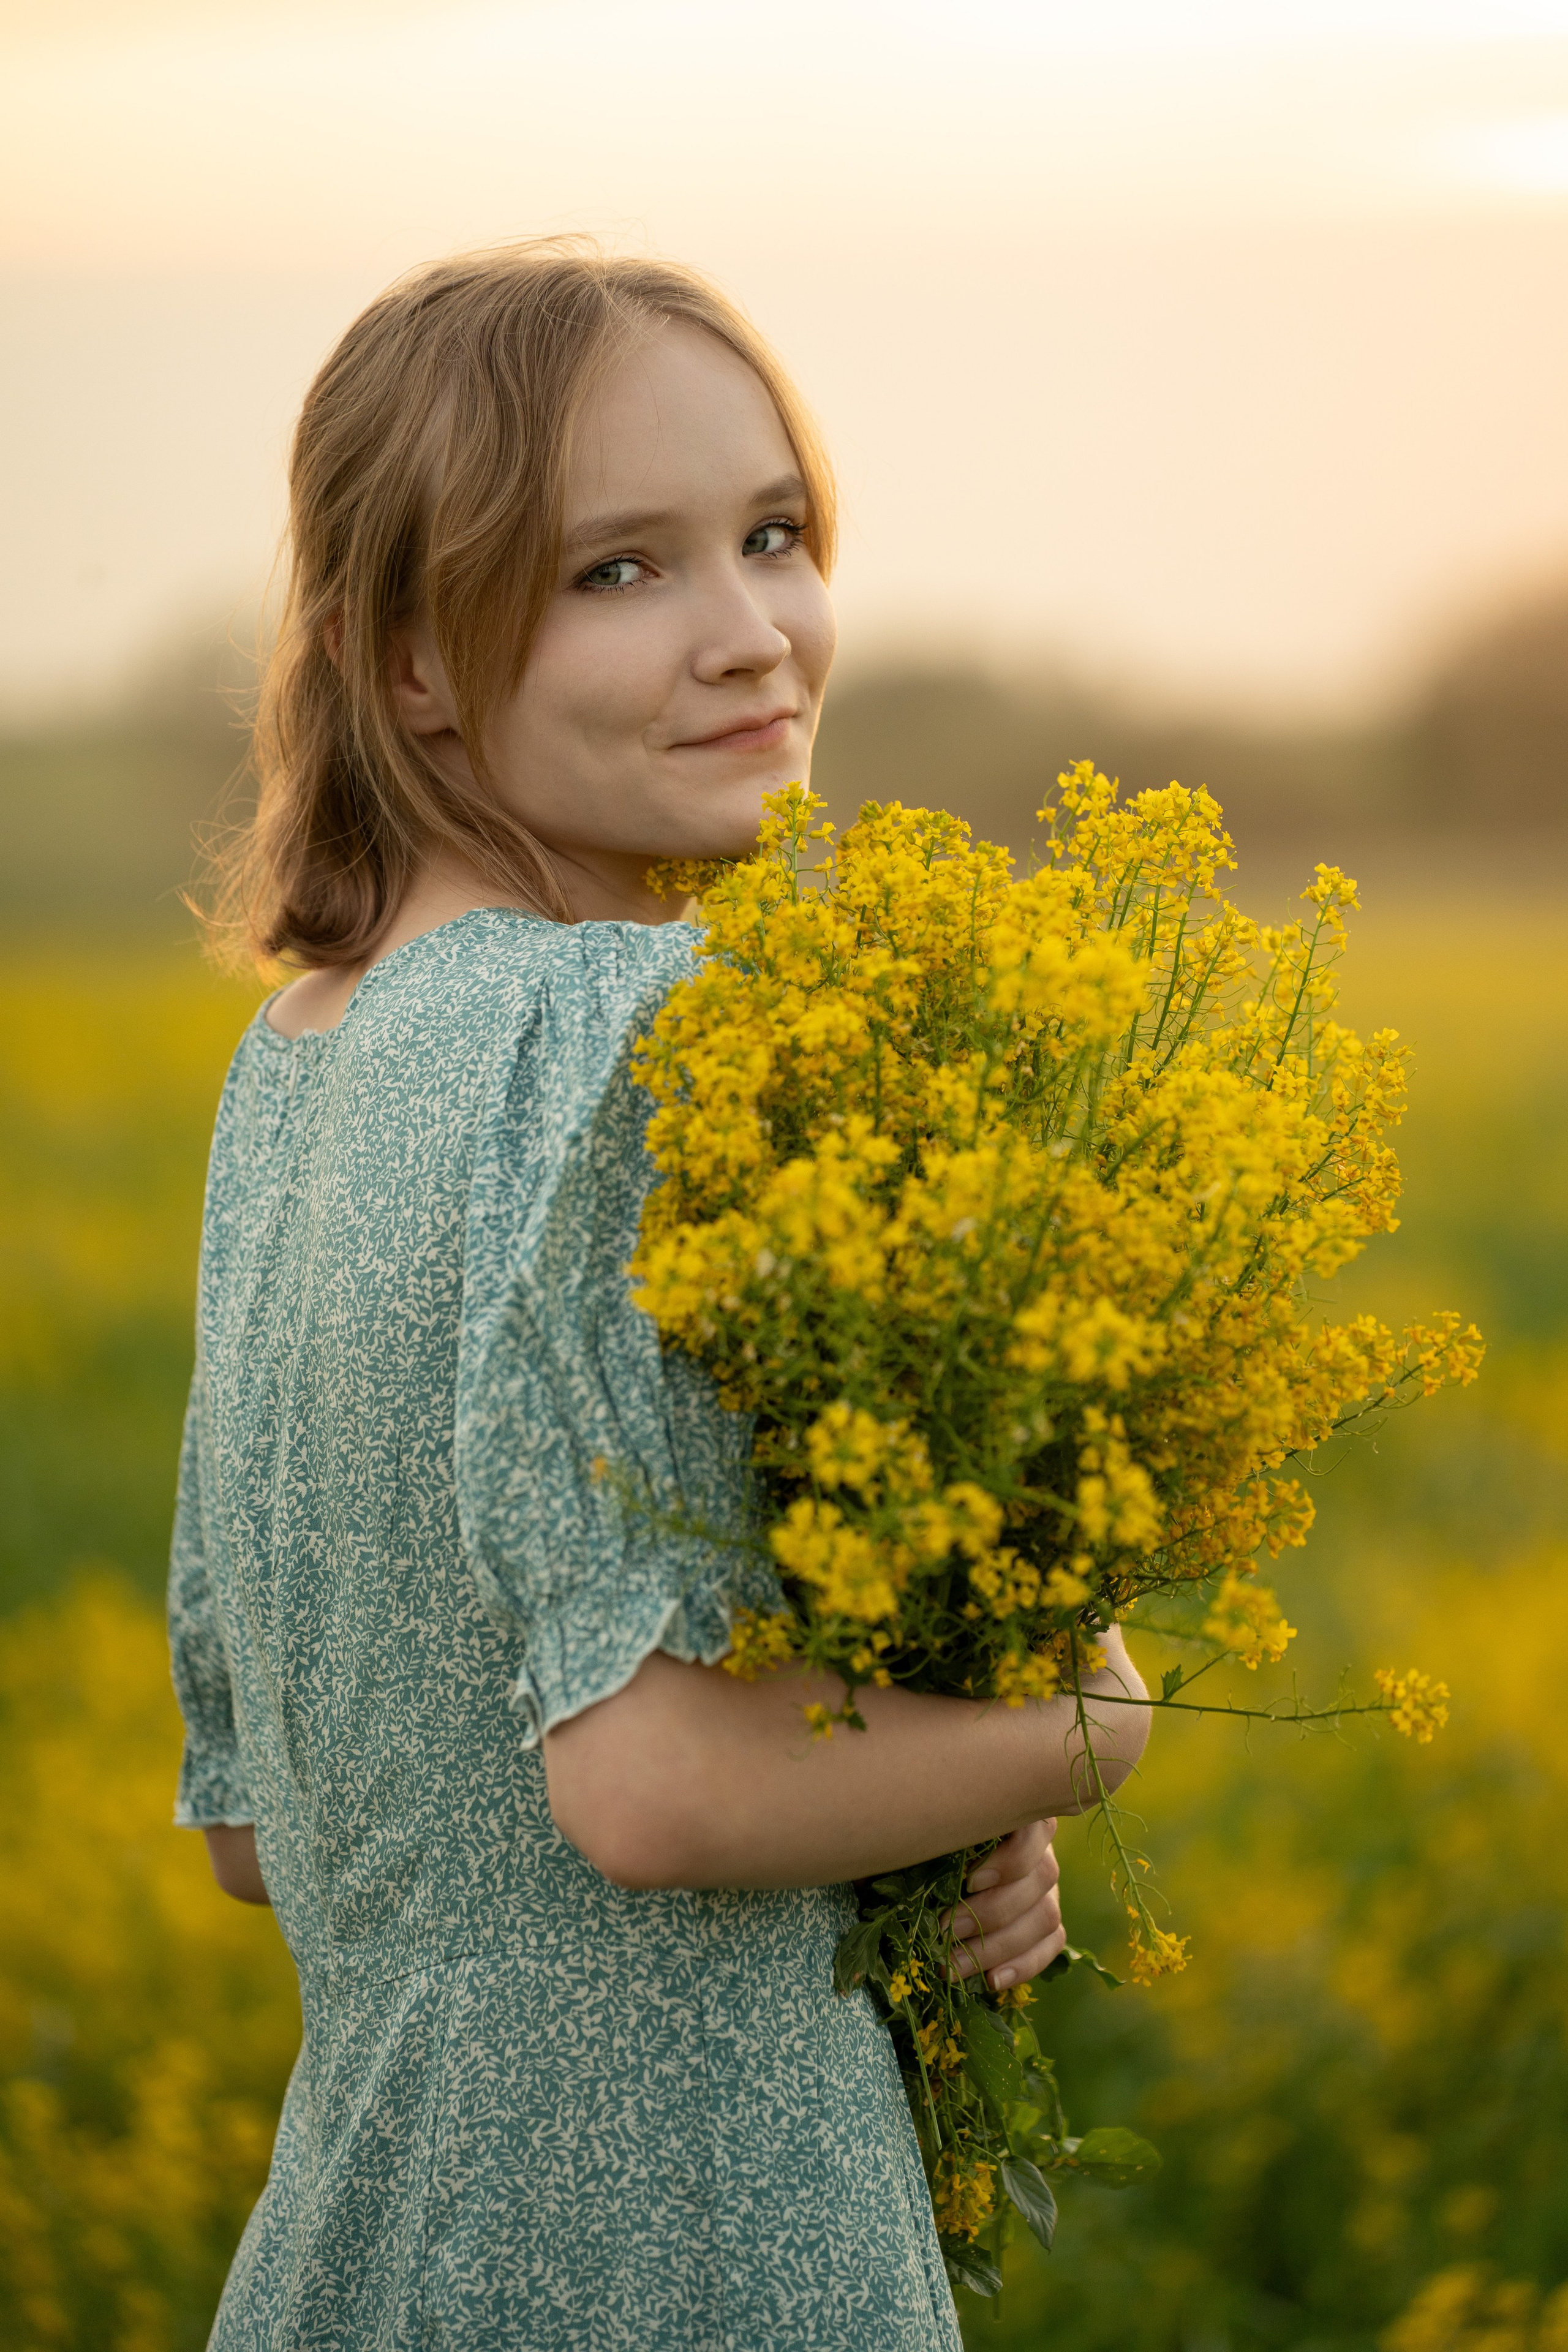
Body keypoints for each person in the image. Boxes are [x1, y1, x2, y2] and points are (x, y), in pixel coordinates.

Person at [169, 238, 1151, 2351]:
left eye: (774, 535)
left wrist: (926, 1803)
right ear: (412, 663)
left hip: (366, 2237)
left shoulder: (296, 1071)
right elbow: (655, 1785)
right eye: (620, 570)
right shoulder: (629, 1027)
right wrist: (1072, 1729)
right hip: (683, 2254)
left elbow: (260, 1829)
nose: (751, 636)